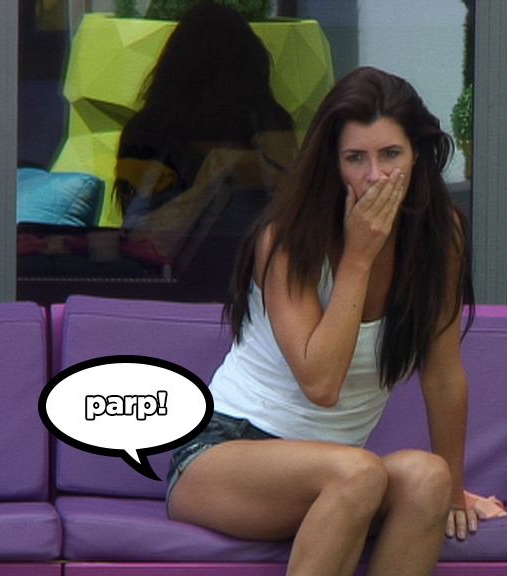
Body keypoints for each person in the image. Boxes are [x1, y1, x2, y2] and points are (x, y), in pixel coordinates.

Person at [166, 66, 478, 575]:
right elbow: (321, 384)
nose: (375, 176)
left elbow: (443, 376)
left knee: (428, 478)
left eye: (390, 154)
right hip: (225, 452)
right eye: (356, 158)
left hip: (338, 475)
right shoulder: (289, 238)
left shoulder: (441, 238)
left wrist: (457, 495)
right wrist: (358, 258)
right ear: (333, 165)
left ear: (417, 155)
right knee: (356, 473)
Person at [114, 0, 297, 300]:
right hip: (193, 290)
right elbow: (138, 240)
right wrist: (213, 177)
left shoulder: (267, 125)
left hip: (255, 289)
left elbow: (298, 218)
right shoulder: (150, 132)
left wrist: (266, 174)